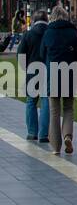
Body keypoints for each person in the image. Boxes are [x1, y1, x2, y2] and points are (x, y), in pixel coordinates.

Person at [40, 6, 77, 156]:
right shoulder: (73, 32)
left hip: (53, 73)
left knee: (54, 112)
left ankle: (56, 147)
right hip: (69, 72)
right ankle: (67, 136)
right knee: (69, 108)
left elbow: (41, 53)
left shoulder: (48, 32)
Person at [17, 9, 51, 143]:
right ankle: (43, 134)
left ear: (35, 20)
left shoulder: (28, 35)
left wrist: (25, 68)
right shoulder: (50, 33)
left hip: (32, 70)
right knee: (45, 102)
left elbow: (21, 54)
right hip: (48, 70)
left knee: (31, 101)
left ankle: (32, 132)